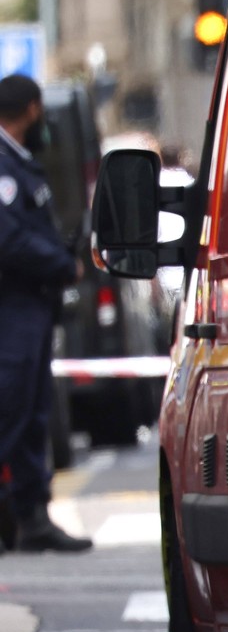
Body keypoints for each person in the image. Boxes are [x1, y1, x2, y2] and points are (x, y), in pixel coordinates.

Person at [0, 73, 93, 554]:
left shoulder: (18, 163)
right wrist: (62, 264)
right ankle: (19, 516)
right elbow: (8, 238)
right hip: (12, 308)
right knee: (12, 410)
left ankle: (32, 516)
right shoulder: (3, 165)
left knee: (32, 412)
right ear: (32, 111)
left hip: (30, 308)